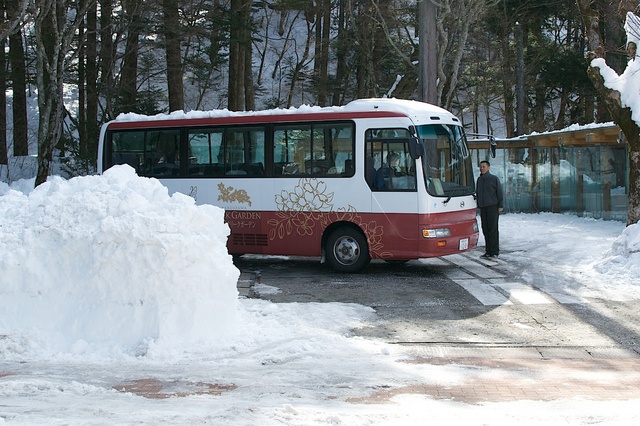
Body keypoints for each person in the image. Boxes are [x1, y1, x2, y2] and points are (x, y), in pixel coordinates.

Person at [476, 160, 503, 258]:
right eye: (481, 166)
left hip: (492, 206)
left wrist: (500, 205)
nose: (482, 168)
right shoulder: (479, 180)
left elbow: (499, 192)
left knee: (493, 229)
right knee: (485, 228)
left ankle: (494, 251)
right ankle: (488, 250)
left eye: (484, 166)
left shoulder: (493, 179)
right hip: (483, 207)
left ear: (488, 167)